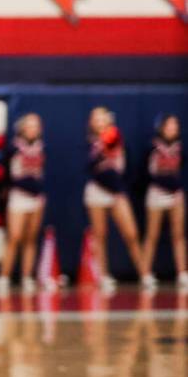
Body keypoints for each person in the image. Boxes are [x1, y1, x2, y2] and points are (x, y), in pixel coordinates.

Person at [84, 107, 145, 292]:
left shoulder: (117, 137)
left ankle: (145, 274)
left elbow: (127, 166)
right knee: (100, 235)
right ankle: (103, 276)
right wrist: (101, 148)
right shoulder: (90, 143)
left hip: (117, 192)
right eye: (96, 118)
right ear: (91, 123)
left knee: (132, 234)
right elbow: (90, 167)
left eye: (103, 117)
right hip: (97, 192)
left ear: (109, 119)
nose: (100, 121)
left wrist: (122, 186)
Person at [0, 113, 45, 295]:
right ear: (23, 128)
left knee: (31, 238)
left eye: (36, 125)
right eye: (30, 125)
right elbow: (8, 175)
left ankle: (27, 277)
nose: (34, 129)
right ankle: (4, 277)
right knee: (14, 237)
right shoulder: (14, 148)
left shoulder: (41, 147)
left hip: (36, 198)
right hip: (18, 197)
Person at [141, 114, 186, 289]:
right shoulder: (152, 147)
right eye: (169, 125)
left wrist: (176, 188)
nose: (173, 128)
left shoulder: (180, 147)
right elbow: (147, 174)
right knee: (152, 235)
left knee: (178, 234)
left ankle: (182, 273)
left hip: (175, 195)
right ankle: (145, 274)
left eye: (176, 125)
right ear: (162, 128)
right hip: (157, 194)